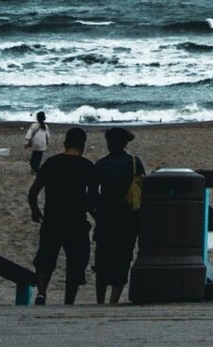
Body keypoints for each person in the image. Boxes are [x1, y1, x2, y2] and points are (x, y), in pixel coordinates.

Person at [29, 127, 98, 305]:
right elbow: (92, 198)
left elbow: (33, 191)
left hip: (52, 218)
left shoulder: (52, 163)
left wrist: (35, 210)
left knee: (45, 258)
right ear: (83, 145)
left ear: (65, 142)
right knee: (76, 262)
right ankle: (69, 300)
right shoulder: (87, 166)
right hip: (76, 221)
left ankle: (42, 293)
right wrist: (95, 217)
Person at [91, 127, 146, 305]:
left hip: (106, 217)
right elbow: (142, 189)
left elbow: (91, 195)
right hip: (128, 217)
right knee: (123, 259)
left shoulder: (101, 164)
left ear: (109, 143)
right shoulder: (134, 162)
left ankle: (100, 301)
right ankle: (113, 301)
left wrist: (96, 213)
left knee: (102, 261)